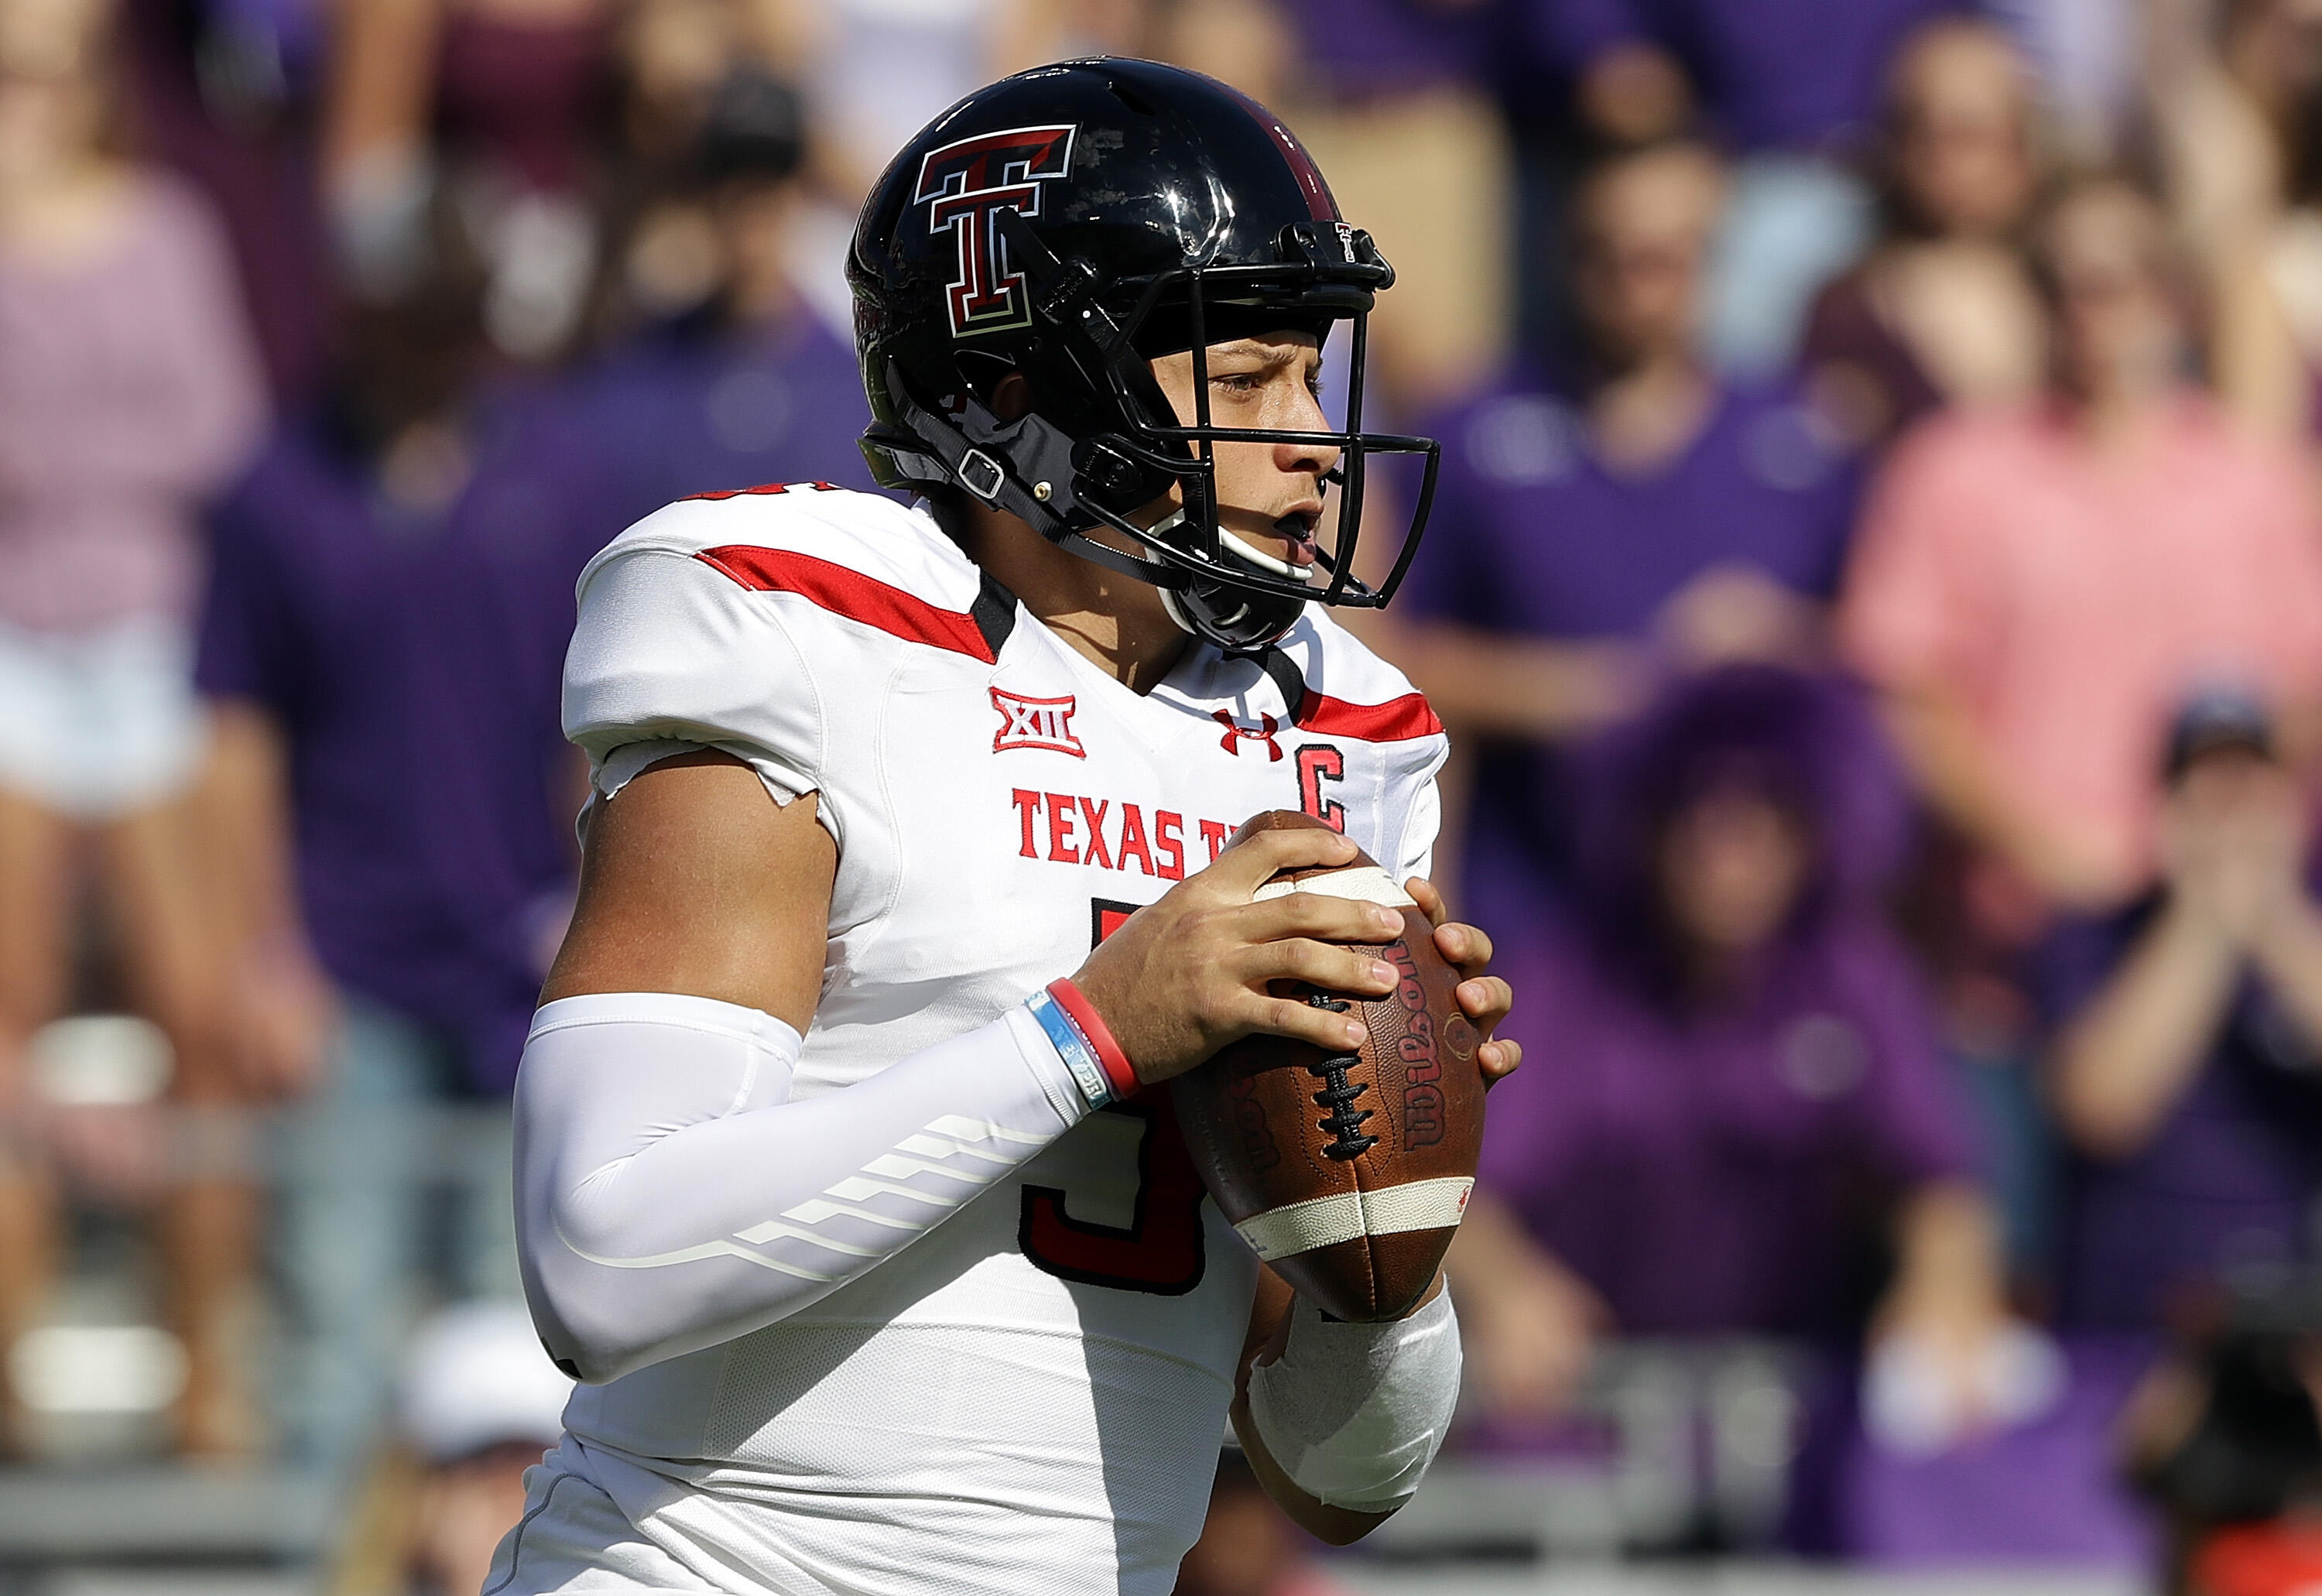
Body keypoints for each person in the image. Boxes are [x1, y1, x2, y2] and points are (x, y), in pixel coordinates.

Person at [491, 59, 1516, 1595]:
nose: (1313, 439)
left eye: (1312, 374)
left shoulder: (1344, 731)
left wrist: (1389, 1245)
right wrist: (1102, 1028)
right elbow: (600, 1253)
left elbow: (1339, 1477)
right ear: (1030, 388)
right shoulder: (805, 621)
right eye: (1245, 381)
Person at [194, 207, 661, 1468]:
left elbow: (608, 708)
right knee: (336, 1335)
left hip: (524, 962)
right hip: (348, 965)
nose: (443, 344)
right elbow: (237, 734)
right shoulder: (275, 490)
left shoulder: (561, 473)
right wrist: (265, 953)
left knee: (516, 1345)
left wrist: (596, 907)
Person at [1450, 667, 2012, 1509]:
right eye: (1699, 813)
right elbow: (1458, 1192)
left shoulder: (1852, 974)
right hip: (1573, 1438)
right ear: (1649, 825)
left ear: (1815, 832)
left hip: (1784, 1444)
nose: (1728, 845)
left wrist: (1946, 1282)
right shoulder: (1570, 978)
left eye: (1764, 817)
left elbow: (1939, 1180)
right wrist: (1506, 1287)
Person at [0, 0, 269, 1457]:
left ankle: (206, 1374)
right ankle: (11, 1380)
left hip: (156, 642)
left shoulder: (164, 229)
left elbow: (215, 438)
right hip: (12, 648)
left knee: (201, 1023)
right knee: (8, 1021)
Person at [1386, 139, 1861, 941]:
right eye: (1610, 254)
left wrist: (1781, 651)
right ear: (1568, 254)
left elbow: (1890, 662)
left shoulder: (1804, 445)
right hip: (1543, 915)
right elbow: (1393, 661)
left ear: (1712, 262)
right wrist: (1613, 690)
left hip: (1755, 938)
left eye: (1665, 258)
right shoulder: (1472, 436)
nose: (1636, 285)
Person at [1838, 173, 2322, 919]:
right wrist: (2039, 846)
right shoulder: (1952, 471)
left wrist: (2220, 837)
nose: (2087, 311)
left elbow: (2304, 690)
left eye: (2114, 284)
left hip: (2218, 926)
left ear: (2172, 297)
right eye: (2060, 284)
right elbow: (1907, 694)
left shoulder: (2254, 482)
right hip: (2017, 925)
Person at [2043, 696, 2322, 1330]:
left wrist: (2271, 916)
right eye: (2205, 777)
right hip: (2134, 1322)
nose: (2229, 803)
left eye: (2251, 775)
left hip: (2297, 1332)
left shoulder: (2307, 929)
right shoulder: (2097, 932)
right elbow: (2102, 1105)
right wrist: (2203, 918)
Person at [1800, 17, 2048, 451]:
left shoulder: (2073, 290)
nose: (1941, 156)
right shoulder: (1849, 313)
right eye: (1920, 130)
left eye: (1968, 135)